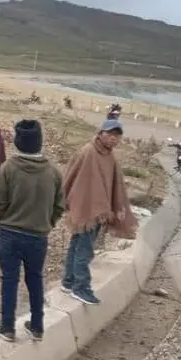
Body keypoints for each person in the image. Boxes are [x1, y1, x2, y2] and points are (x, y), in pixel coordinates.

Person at [0, 119, 65, 342]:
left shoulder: (8, 168)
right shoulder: (53, 172)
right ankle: (37, 326)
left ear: (18, 142)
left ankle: (8, 327)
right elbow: (60, 206)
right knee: (35, 279)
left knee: (9, 280)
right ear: (40, 142)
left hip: (10, 234)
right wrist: (47, 223)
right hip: (38, 236)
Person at [60, 118, 138, 305]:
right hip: (86, 209)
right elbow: (75, 177)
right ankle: (80, 288)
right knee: (84, 249)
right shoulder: (89, 152)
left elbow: (111, 184)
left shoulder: (109, 156)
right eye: (110, 134)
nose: (114, 138)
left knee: (77, 245)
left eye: (117, 135)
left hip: (96, 210)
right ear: (101, 133)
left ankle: (68, 281)